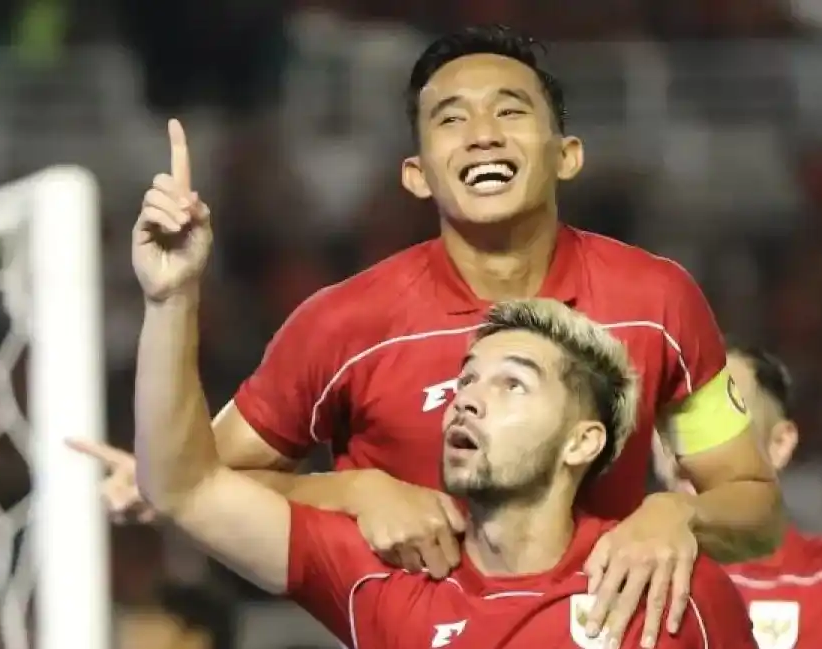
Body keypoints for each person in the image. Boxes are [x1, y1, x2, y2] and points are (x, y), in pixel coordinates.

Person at [76, 25, 782, 647]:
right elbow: (207, 476)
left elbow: (752, 508)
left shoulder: (658, 299)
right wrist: (358, 491)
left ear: (567, 154)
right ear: (416, 175)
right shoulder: (343, 324)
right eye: (451, 118)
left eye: (511, 110)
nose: (482, 132)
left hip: (609, 622)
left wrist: (678, 514)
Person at [135, 297, 757, 649]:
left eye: (512, 383)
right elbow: (183, 486)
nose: (467, 399)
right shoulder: (384, 577)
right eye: (465, 380)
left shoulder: (672, 590)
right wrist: (172, 298)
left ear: (581, 442)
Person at [653, 345, 822, 649]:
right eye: (671, 419)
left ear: (779, 444)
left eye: (720, 418)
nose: (686, 443)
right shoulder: (596, 589)